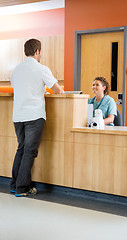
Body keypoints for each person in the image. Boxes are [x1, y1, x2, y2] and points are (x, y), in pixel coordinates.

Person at [10, 38, 64, 197]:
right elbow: (59, 91)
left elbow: (20, 88)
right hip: (34, 115)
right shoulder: (42, 69)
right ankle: (22, 188)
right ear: (37, 51)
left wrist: (38, 91)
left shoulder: (16, 70)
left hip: (18, 116)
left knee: (21, 148)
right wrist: (42, 91)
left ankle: (14, 185)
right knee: (29, 152)